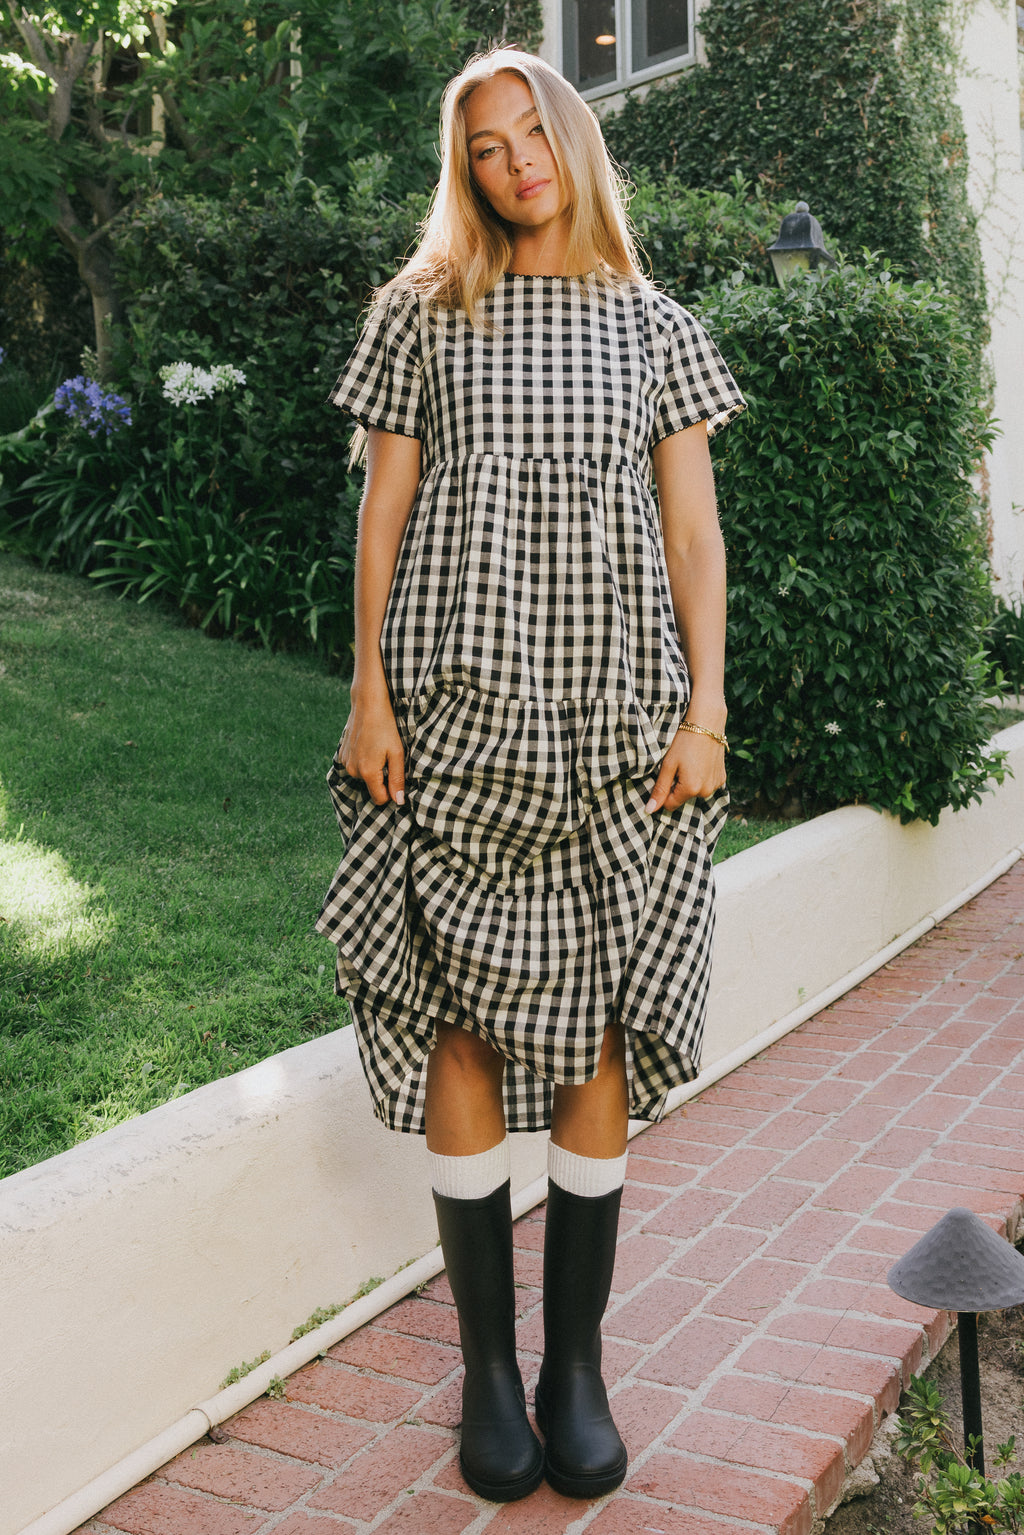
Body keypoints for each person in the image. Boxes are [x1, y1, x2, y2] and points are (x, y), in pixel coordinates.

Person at [316, 46, 744, 1505]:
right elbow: (382, 517)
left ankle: (575, 1367)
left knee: (597, 1026)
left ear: (573, 135)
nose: (514, 165)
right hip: (455, 712)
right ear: (468, 172)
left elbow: (694, 536)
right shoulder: (423, 313)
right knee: (460, 1020)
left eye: (530, 134)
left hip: (614, 721)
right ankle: (489, 1374)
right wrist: (369, 693)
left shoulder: (658, 327)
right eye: (484, 149)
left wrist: (707, 710)